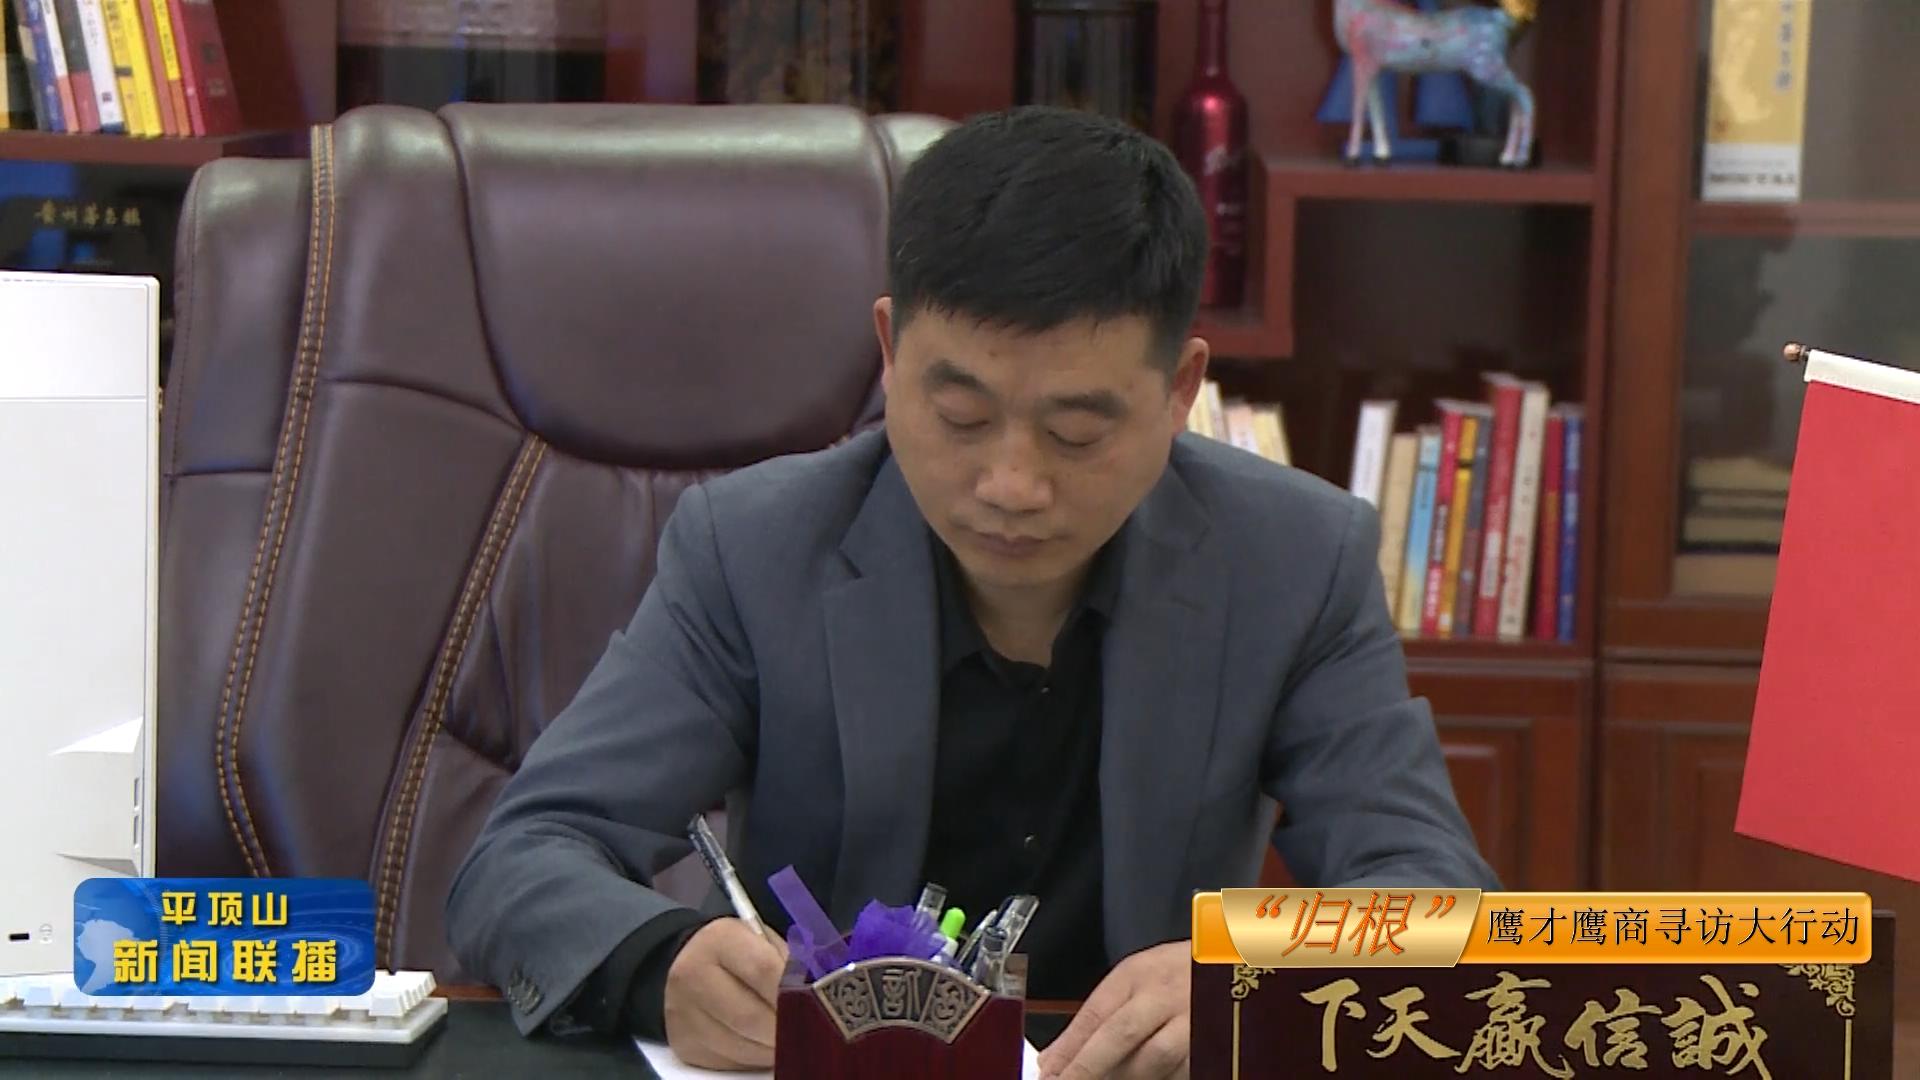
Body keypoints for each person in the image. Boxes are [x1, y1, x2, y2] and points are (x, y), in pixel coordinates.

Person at [445, 105, 1498, 1079]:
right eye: (961, 418)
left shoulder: (1294, 561)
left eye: (1075, 432)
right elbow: (523, 858)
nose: (1011, 485)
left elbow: (1441, 900)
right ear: (890, 352)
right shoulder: (754, 549)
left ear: (1181, 392)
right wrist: (659, 962)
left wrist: (1254, 973)